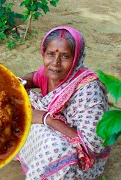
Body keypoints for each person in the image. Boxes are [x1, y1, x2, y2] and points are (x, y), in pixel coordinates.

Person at [16, 26, 110, 179]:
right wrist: (18, 82)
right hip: (53, 127)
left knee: (54, 147)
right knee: (19, 104)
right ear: (43, 53)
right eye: (50, 54)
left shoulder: (89, 91)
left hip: (77, 157)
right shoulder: (49, 73)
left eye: (65, 56)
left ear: (76, 59)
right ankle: (33, 158)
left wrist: (46, 119)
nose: (55, 62)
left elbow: (93, 145)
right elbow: (33, 77)